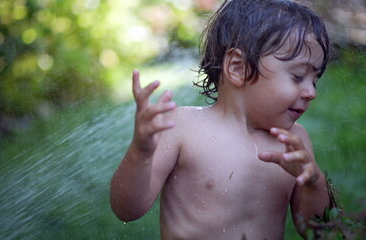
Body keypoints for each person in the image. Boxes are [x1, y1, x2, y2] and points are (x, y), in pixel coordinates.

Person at [110, 0, 334, 239]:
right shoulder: (183, 127)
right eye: (298, 76)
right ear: (238, 67)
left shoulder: (294, 142)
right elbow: (127, 210)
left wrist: (314, 182)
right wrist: (141, 152)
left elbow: (320, 233)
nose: (311, 91)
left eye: (314, 79)